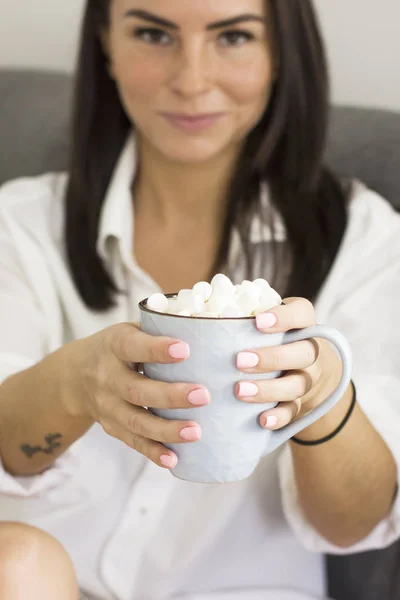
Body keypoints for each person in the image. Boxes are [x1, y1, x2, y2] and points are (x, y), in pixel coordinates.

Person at [0, 0, 399, 599]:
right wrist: (74, 381)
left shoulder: (367, 243)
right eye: (154, 34)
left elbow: (353, 525)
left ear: (281, 54)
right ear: (106, 43)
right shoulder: (20, 225)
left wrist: (324, 397)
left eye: (233, 36)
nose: (191, 80)